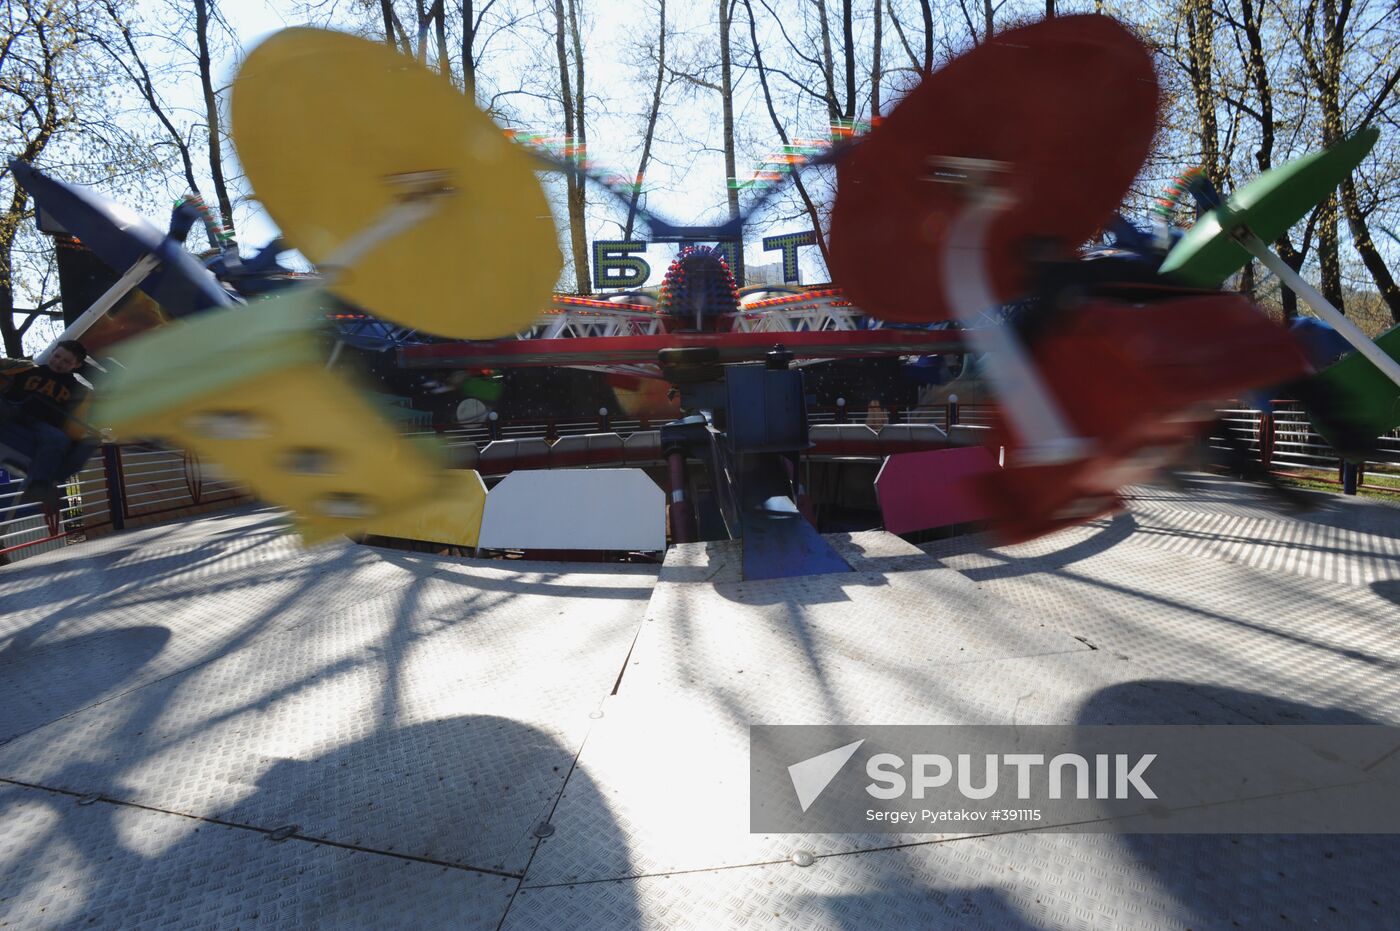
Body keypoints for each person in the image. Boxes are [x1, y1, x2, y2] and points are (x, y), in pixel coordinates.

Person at [0, 339, 99, 510]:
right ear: (52, 352)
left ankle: (38, 486)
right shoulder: (28, 368)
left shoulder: (77, 390)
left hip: (42, 424)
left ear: (76, 365)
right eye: (57, 356)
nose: (59, 362)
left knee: (58, 438)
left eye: (66, 361)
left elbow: (79, 420)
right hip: (16, 409)